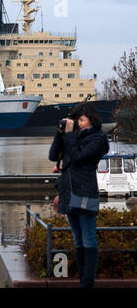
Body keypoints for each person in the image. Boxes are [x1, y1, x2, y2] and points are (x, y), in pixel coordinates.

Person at [49, 102, 109, 288]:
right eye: (76, 120)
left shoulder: (97, 140)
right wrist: (60, 134)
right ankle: (82, 280)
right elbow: (53, 156)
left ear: (92, 121)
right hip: (68, 191)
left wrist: (68, 136)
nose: (78, 123)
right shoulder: (71, 137)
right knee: (78, 239)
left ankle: (87, 284)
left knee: (89, 239)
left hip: (84, 192)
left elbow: (77, 158)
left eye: (81, 120)